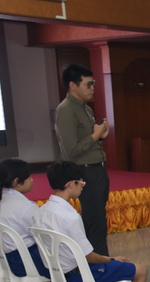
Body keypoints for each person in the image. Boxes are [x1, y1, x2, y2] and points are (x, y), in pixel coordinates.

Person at [35, 161, 150, 282]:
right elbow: (89, 257)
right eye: (81, 182)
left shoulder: (42, 211)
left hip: (58, 274)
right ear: (70, 184)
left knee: (119, 272)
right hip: (78, 276)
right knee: (140, 271)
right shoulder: (70, 217)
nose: (83, 186)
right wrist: (111, 259)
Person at [54, 63, 110, 256]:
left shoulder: (86, 108)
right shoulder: (66, 109)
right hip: (85, 171)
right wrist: (96, 135)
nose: (92, 88)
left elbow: (88, 141)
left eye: (93, 83)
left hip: (97, 168)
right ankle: (99, 265)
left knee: (97, 219)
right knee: (95, 222)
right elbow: (72, 150)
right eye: (88, 84)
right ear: (73, 85)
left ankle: (93, 261)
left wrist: (100, 137)